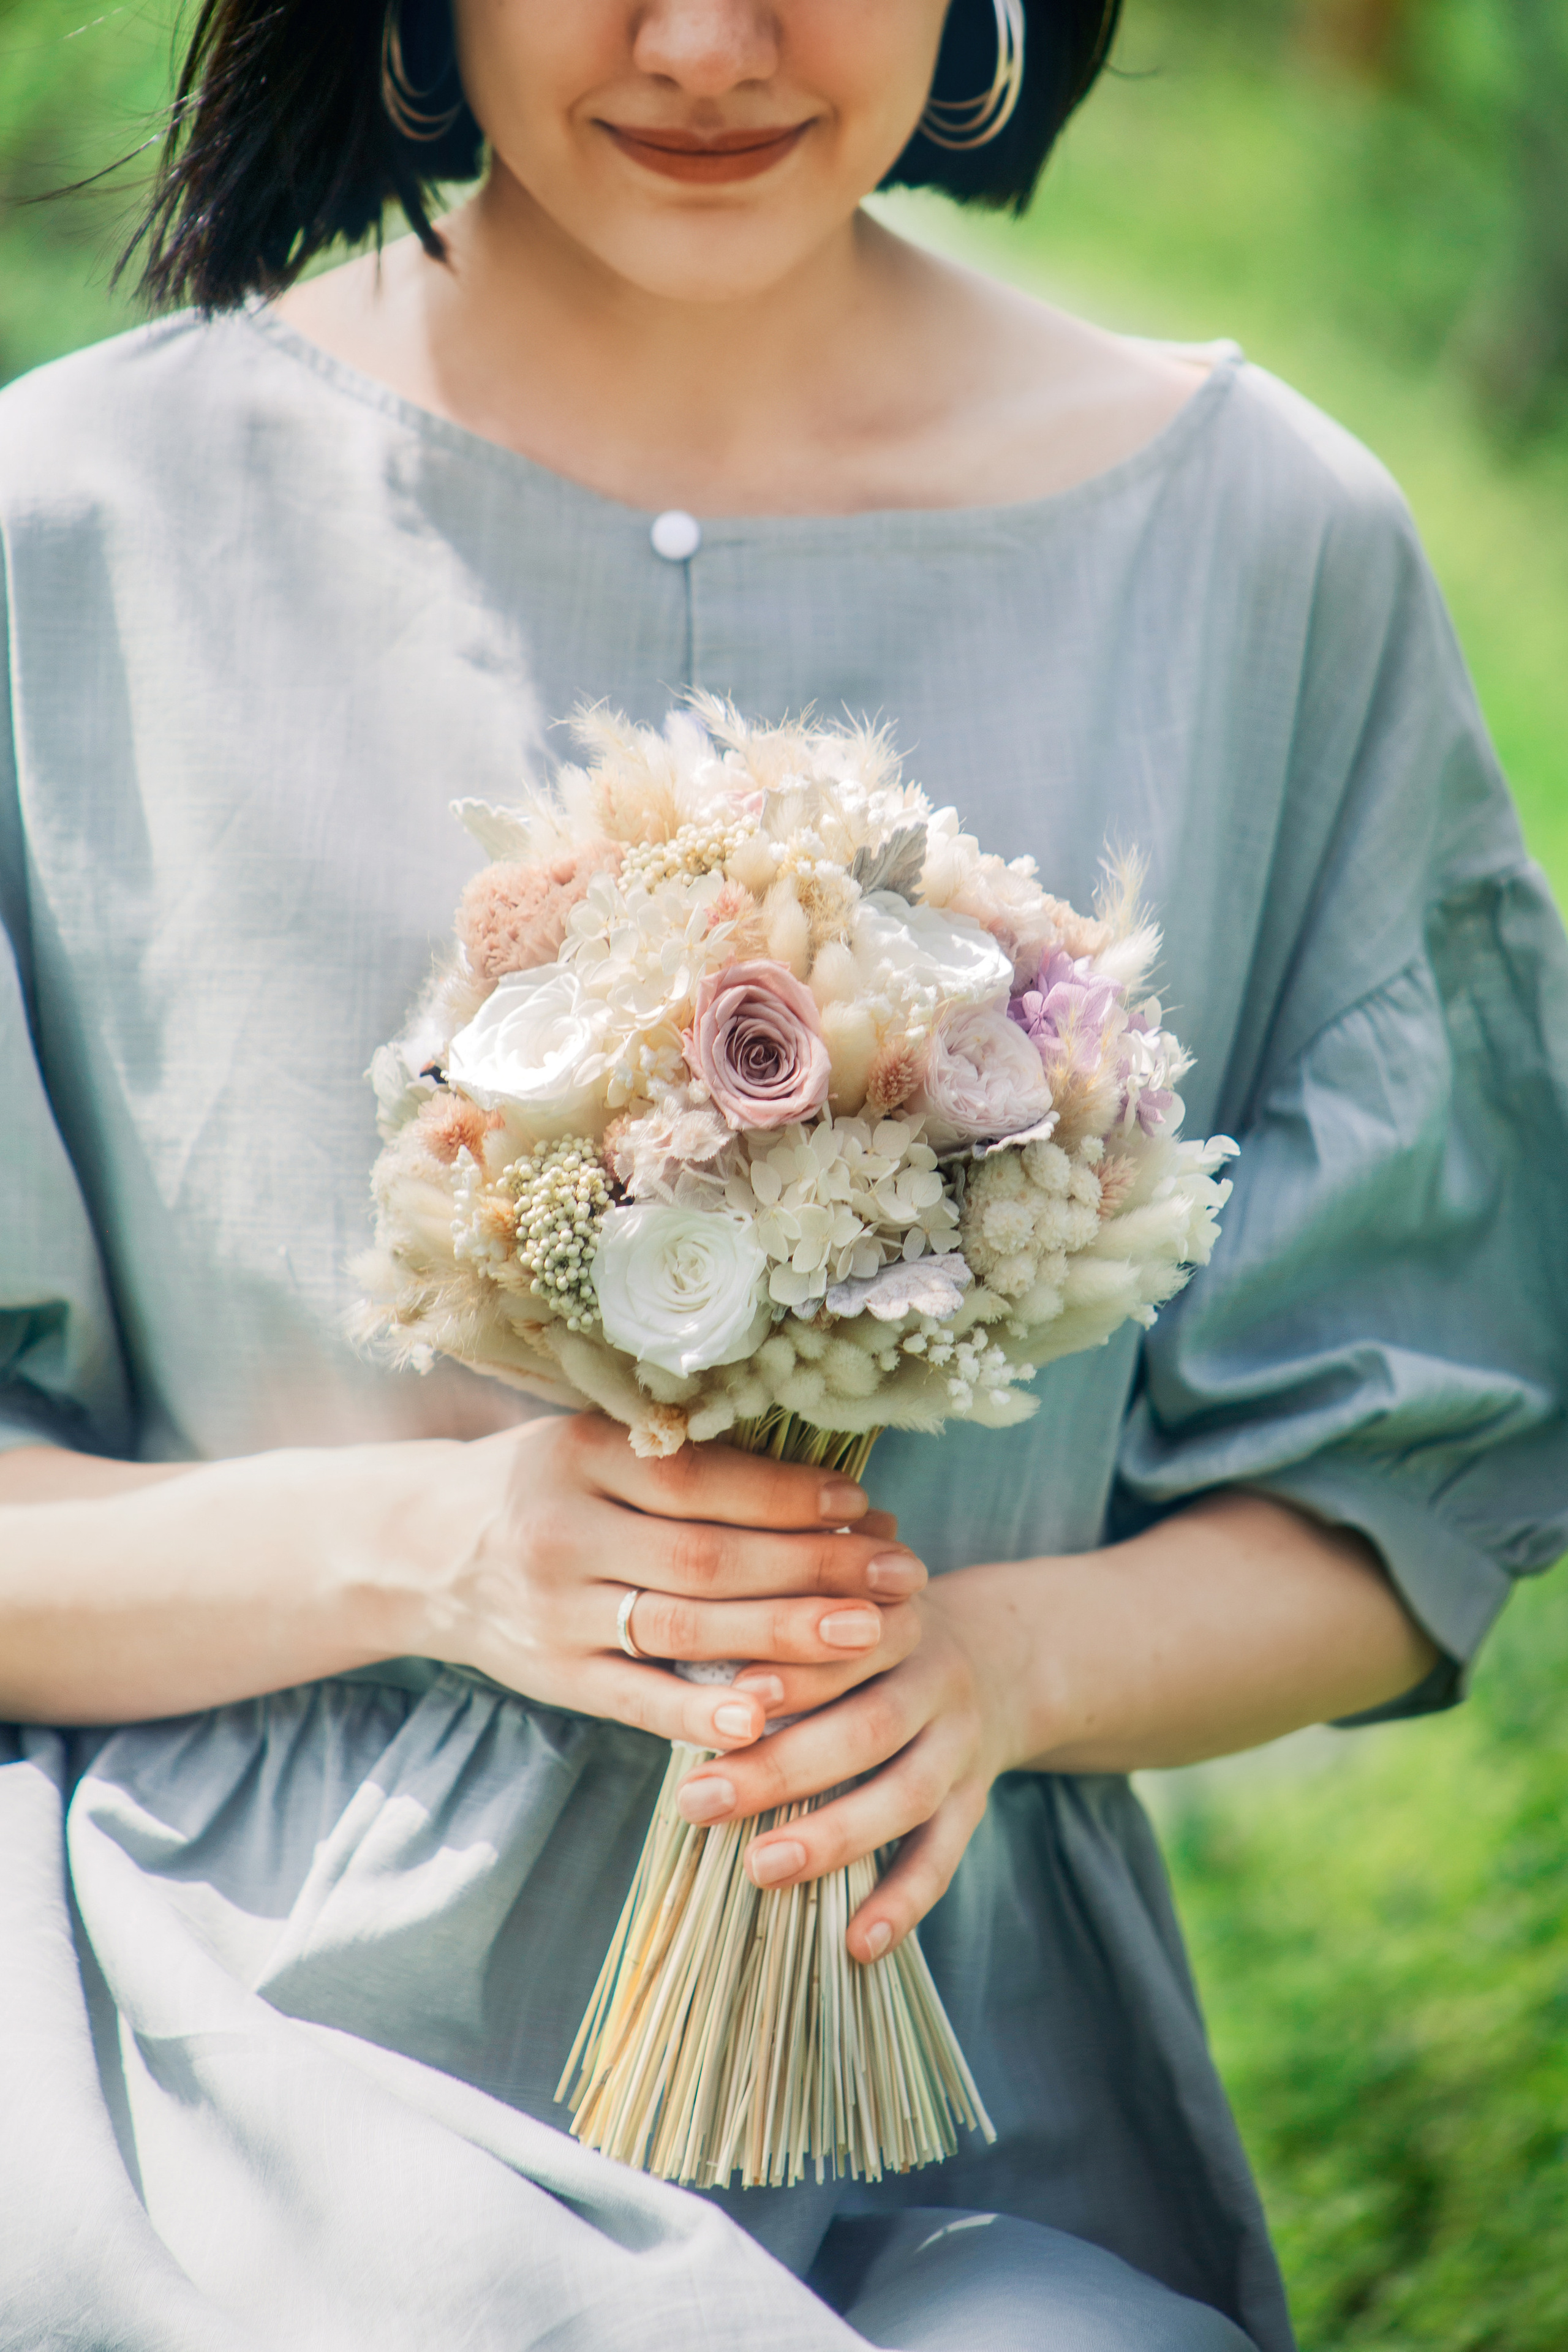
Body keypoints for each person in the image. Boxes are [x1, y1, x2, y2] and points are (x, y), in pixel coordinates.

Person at [1, 1, 1563, 2344]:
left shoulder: (1259, 545)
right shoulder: (71, 538)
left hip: (943, 2109)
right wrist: (435, 1550)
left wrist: (989, 1668)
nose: (705, 38)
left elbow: (1411, 1487)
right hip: (224, 2092)